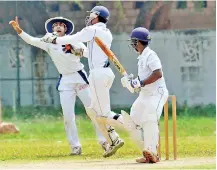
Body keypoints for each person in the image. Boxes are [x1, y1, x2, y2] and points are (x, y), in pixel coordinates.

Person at [9, 16, 111, 156]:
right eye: (55, 25)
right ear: (52, 29)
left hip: (80, 77)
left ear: (65, 29)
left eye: (61, 25)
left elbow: (90, 54)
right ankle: (75, 147)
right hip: (65, 81)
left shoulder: (74, 40)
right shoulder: (49, 42)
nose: (58, 26)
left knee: (93, 112)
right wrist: (19, 31)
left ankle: (105, 142)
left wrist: (78, 51)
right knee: (68, 116)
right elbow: (31, 40)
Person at [40, 6, 124, 157]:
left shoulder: (91, 30)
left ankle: (131, 126)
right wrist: (75, 50)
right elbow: (85, 51)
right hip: (106, 73)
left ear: (97, 16)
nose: (89, 17)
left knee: (101, 113)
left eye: (92, 14)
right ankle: (113, 139)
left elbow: (72, 38)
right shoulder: (107, 32)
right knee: (94, 111)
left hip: (97, 74)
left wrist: (54, 39)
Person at [121, 27, 169, 163]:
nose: (133, 45)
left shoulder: (150, 55)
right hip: (145, 94)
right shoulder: (141, 57)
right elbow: (141, 81)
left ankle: (153, 152)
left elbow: (158, 74)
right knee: (132, 120)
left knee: (150, 118)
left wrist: (140, 82)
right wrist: (131, 83)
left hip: (157, 94)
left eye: (133, 42)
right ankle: (146, 152)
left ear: (138, 42)